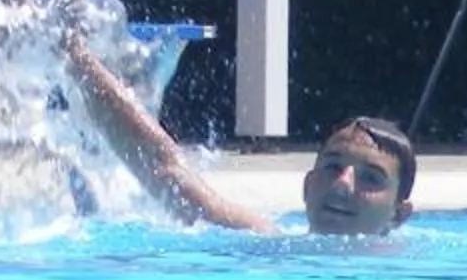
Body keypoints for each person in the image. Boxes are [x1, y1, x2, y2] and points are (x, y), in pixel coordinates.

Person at [64, 39, 414, 235]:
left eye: (370, 178)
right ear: (307, 187)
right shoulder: (267, 242)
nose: (342, 184)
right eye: (333, 167)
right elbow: (167, 168)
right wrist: (76, 54)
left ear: (398, 215)